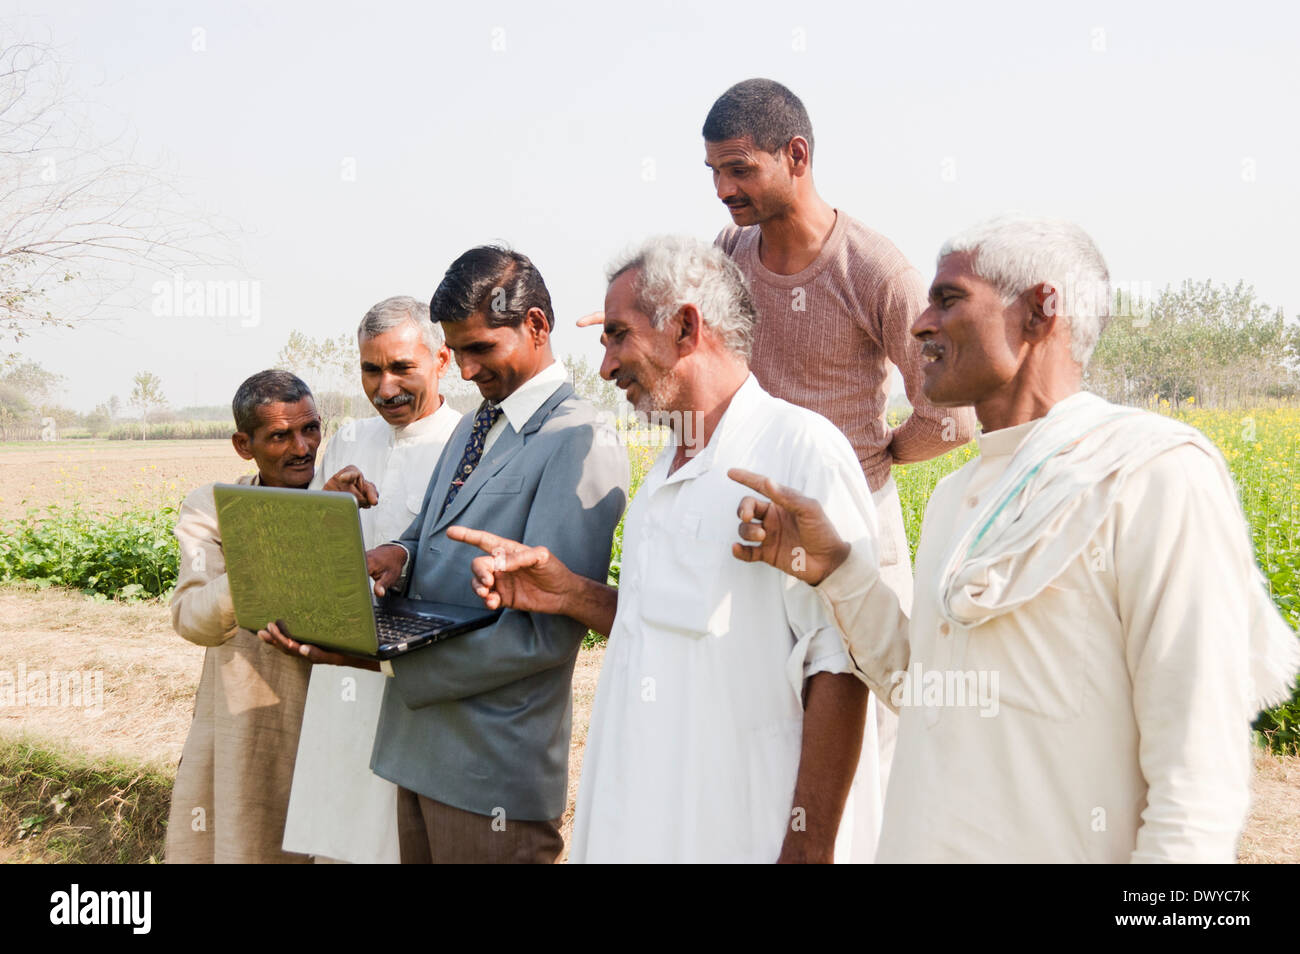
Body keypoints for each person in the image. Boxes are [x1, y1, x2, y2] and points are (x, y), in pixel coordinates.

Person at [727, 215, 1300, 862]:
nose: (919, 324)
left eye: (948, 299)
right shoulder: (955, 497)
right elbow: (928, 692)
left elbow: (1199, 770)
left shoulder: (1149, 473)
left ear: (1040, 310)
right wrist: (835, 567)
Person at [450, 236, 883, 862]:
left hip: (747, 828)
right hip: (647, 819)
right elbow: (660, 626)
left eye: (618, 335)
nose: (605, 367)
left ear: (685, 326)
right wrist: (570, 593)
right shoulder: (665, 471)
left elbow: (840, 663)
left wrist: (807, 846)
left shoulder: (798, 450)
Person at [263, 246, 628, 864]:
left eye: (481, 349)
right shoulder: (475, 424)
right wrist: (402, 555)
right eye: (456, 352)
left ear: (537, 326)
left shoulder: (580, 439)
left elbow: (545, 631)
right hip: (418, 751)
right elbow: (436, 531)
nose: (463, 371)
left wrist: (383, 664)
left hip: (491, 768)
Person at [701, 79, 978, 814]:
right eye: (714, 174)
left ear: (796, 155)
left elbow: (950, 413)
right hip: (758, 530)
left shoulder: (875, 270)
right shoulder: (729, 250)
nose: (724, 190)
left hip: (853, 530)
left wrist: (878, 457)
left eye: (739, 169)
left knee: (874, 738)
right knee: (769, 720)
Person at [281, 296, 461, 864]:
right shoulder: (349, 441)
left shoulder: (471, 444)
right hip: (343, 670)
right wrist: (327, 502)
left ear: (443, 360)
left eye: (402, 367)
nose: (385, 388)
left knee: (406, 836)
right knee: (339, 833)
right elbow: (305, 558)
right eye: (370, 369)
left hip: (422, 674)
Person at [166, 370, 323, 864]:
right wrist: (278, 546)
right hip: (249, 724)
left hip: (341, 714)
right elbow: (193, 618)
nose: (302, 448)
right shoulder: (212, 510)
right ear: (243, 444)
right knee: (248, 840)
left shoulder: (352, 496)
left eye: (311, 429)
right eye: (280, 435)